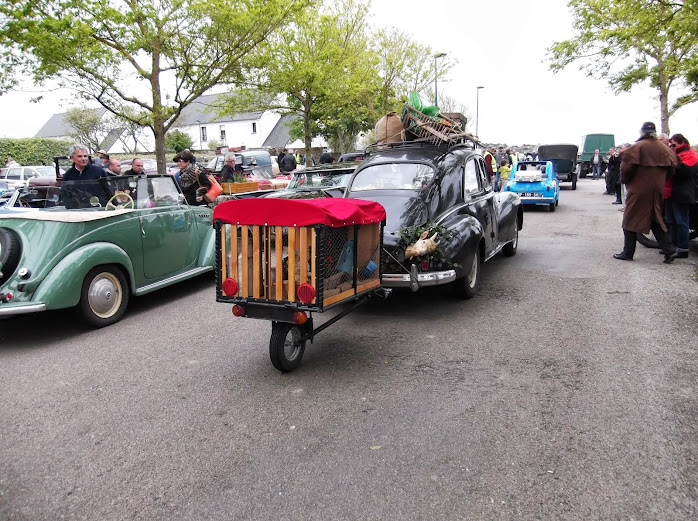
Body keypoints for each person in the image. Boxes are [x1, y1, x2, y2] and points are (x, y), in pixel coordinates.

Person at [614, 122, 678, 263]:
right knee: (656, 220)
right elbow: (672, 170)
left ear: (642, 132)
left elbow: (626, 169)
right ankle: (670, 250)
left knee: (629, 219)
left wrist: (627, 181)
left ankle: (628, 252)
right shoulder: (665, 149)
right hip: (657, 189)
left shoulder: (638, 147)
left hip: (639, 189)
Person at [665, 133, 698, 258]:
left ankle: (683, 249)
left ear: (681, 142)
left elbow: (685, 171)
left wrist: (672, 164)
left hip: (682, 193)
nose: (671, 146)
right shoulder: (677, 154)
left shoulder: (690, 154)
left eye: (673, 144)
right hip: (671, 191)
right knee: (671, 221)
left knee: (681, 221)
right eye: (670, 144)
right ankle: (672, 246)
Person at [61, 143, 109, 208]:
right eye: (79, 156)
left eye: (85, 156)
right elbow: (64, 195)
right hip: (76, 212)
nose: (83, 159)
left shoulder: (99, 171)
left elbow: (108, 193)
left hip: (97, 210)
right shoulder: (68, 175)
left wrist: (99, 204)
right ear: (72, 158)